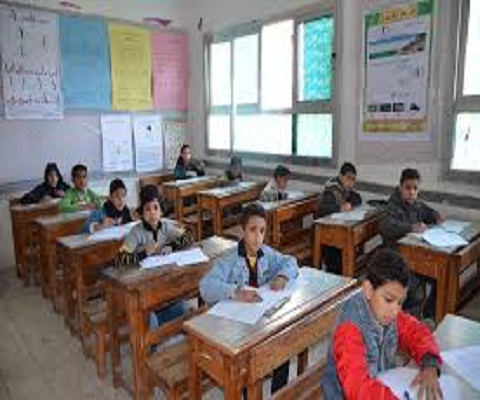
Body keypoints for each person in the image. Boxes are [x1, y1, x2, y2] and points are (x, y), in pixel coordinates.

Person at [200, 203, 299, 394]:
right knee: (248, 364)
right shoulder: (229, 259)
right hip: (235, 327)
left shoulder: (266, 253)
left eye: (262, 231)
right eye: (252, 230)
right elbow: (205, 287)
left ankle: (278, 394)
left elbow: (290, 261)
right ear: (242, 231)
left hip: (257, 320)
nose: (258, 237)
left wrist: (282, 276)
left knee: (283, 343)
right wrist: (235, 292)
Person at [321, 248, 443, 400]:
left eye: (400, 302)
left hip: (381, 384)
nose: (395, 310)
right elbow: (357, 386)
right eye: (389, 300)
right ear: (368, 290)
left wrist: (430, 363)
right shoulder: (349, 329)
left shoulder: (387, 313)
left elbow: (416, 332)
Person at [118, 185, 192, 330]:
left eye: (156, 208)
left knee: (183, 306)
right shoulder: (135, 232)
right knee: (150, 320)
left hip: (163, 281)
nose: (152, 213)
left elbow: (188, 237)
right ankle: (154, 323)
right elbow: (121, 259)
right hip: (143, 285)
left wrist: (172, 246)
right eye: (147, 209)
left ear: (161, 211)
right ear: (141, 213)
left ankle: (162, 321)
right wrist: (144, 253)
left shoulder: (165, 226)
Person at [380, 168, 444, 319]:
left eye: (415, 188)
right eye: (408, 188)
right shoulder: (393, 206)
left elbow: (428, 212)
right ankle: (407, 320)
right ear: (400, 187)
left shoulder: (416, 204)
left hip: (415, 256)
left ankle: (429, 314)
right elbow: (385, 226)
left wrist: (437, 216)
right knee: (415, 287)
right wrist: (411, 227)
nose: (412, 192)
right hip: (396, 257)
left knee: (440, 276)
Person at [317, 162, 362, 274]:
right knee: (337, 255)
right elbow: (323, 210)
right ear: (341, 177)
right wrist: (339, 208)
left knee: (348, 245)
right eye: (348, 178)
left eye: (353, 180)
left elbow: (358, 198)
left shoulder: (345, 189)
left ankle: (345, 272)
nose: (351, 183)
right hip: (324, 232)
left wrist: (350, 203)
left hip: (338, 229)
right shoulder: (332, 190)